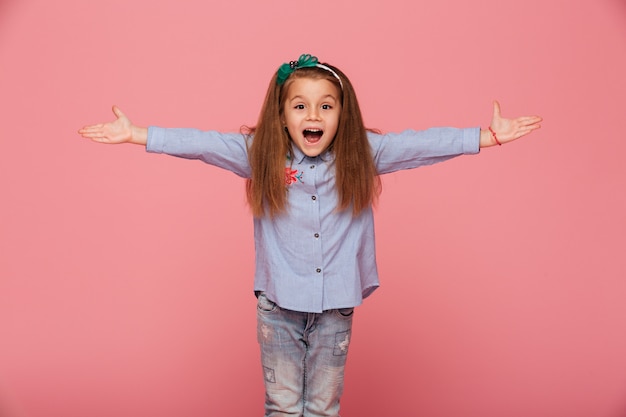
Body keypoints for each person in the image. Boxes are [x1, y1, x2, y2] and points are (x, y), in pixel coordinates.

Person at [78, 53, 542, 417]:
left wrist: (486, 136)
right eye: (300, 106)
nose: (313, 115)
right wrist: (138, 133)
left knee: (321, 409)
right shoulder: (261, 155)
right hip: (278, 306)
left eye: (326, 105)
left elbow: (420, 144)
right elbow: (203, 144)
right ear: (283, 115)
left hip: (335, 307)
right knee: (283, 408)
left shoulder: (365, 153)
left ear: (342, 114)